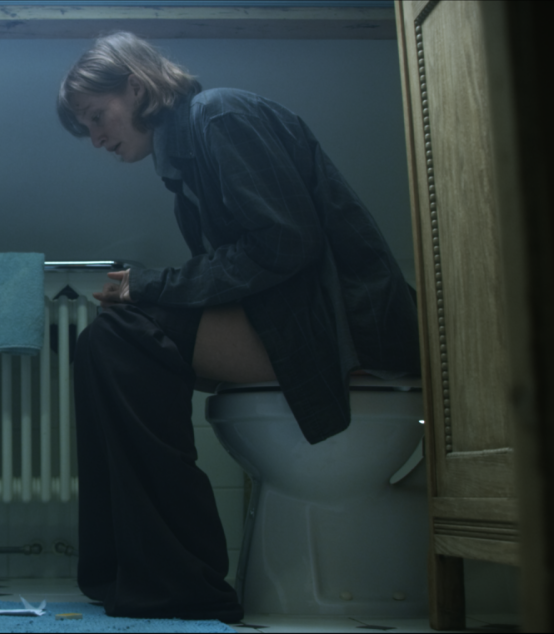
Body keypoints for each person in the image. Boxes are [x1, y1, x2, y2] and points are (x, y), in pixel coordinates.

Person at [57, 32, 420, 621]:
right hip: (298, 315)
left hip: (342, 326)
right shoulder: (187, 160)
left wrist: (148, 286)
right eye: (87, 128)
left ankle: (180, 582)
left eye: (98, 117)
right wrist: (147, 291)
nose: (96, 138)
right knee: (106, 339)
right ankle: (126, 569)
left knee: (119, 338)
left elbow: (285, 243)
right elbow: (249, 266)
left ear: (137, 87)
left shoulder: (219, 117)